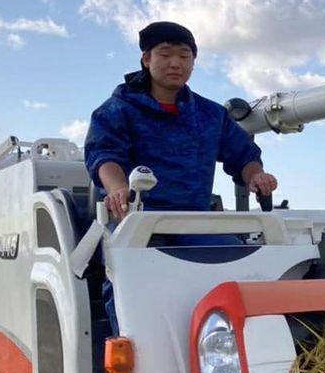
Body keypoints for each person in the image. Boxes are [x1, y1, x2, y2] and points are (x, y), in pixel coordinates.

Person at [84, 21, 277, 333]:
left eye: (184, 56)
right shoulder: (118, 109)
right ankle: (131, 364)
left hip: (194, 222)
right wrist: (118, 189)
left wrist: (256, 175)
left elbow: (242, 155)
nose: (175, 63)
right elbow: (104, 156)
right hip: (136, 223)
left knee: (242, 265)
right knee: (130, 287)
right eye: (165, 54)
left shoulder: (210, 115)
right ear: (146, 59)